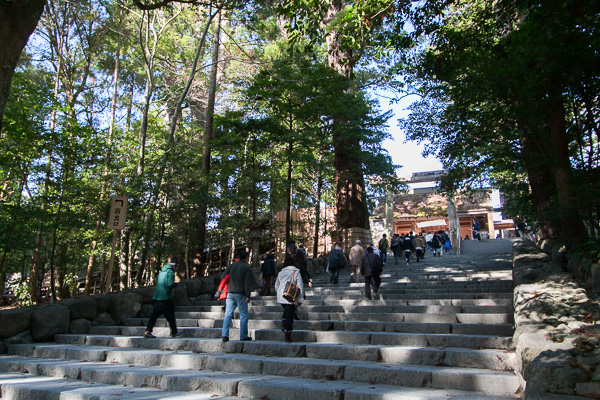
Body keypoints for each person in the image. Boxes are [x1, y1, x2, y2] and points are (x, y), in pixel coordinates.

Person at [221, 250, 255, 342]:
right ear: (246, 257)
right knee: (243, 314)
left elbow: (223, 275)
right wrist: (248, 295)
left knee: (228, 314)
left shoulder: (232, 265)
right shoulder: (246, 267)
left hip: (230, 292)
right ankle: (243, 335)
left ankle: (225, 335)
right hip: (240, 293)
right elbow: (247, 282)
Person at [144, 257, 183, 338]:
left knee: (154, 316)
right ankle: (174, 332)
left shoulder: (162, 272)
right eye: (177, 266)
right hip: (165, 298)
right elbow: (169, 284)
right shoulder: (170, 272)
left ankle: (148, 331)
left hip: (157, 297)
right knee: (171, 316)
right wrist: (177, 284)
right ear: (174, 266)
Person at [274, 257, 304, 342]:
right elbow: (300, 286)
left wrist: (279, 292)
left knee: (287, 311)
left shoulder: (281, 272)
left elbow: (276, 285)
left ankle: (284, 324)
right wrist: (300, 299)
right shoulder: (296, 272)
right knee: (289, 316)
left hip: (281, 296)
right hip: (291, 296)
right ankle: (288, 334)